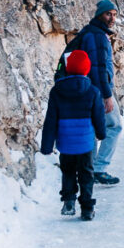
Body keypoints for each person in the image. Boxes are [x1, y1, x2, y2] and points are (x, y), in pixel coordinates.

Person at [41, 49, 105, 221]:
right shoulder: (93, 92)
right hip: (85, 142)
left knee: (68, 171)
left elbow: (51, 119)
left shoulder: (57, 91)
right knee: (86, 173)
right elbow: (98, 116)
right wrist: (101, 133)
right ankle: (86, 208)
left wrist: (47, 145)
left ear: (68, 68)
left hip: (66, 142)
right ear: (86, 69)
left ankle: (68, 200)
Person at [66, 0, 123, 185]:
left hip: (87, 90)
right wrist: (107, 95)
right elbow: (97, 69)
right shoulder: (97, 36)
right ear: (100, 15)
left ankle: (89, 170)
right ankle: (98, 168)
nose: (112, 18)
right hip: (98, 91)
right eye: (108, 14)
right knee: (114, 126)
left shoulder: (91, 33)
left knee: (91, 129)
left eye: (114, 15)